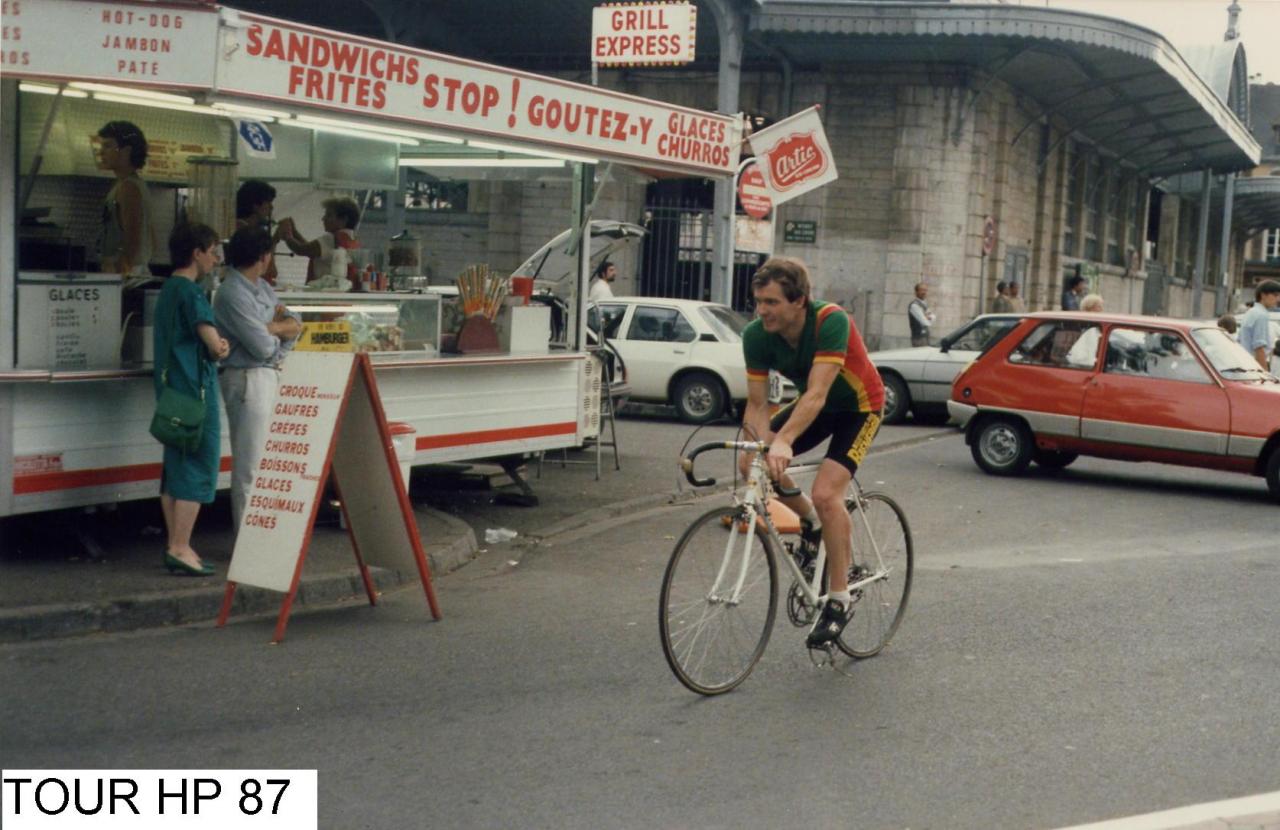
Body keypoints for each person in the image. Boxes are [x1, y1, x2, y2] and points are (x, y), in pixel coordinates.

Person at [740, 257, 885, 648]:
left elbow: (818, 392)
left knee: (826, 493)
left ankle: (839, 599)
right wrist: (757, 443)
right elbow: (756, 405)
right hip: (814, 407)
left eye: (772, 302)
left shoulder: (829, 321)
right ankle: (812, 523)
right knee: (752, 462)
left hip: (859, 407)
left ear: (799, 301)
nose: (763, 310)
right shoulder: (756, 335)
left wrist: (784, 440)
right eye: (759, 301)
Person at [213, 226, 303, 529]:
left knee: (263, 460)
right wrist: (278, 330)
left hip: (264, 375)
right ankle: (246, 540)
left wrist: (274, 329)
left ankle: (258, 534)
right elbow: (262, 346)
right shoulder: (231, 293)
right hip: (246, 378)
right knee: (250, 463)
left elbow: (295, 324)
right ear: (263, 257)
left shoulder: (261, 288)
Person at [154, 223, 230, 576]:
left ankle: (175, 545)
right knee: (198, 467)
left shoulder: (168, 289)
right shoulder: (193, 293)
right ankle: (182, 547)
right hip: (196, 395)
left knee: (175, 469)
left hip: (171, 395)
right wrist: (221, 347)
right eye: (213, 250)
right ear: (196, 252)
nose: (216, 257)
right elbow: (213, 344)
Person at [96, 120, 154, 281]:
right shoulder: (127, 185)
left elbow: (132, 237)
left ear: (126, 151)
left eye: (108, 146)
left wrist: (120, 272)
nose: (101, 152)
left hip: (127, 275)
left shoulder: (129, 188)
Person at [278, 197, 361, 285]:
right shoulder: (353, 241)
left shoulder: (332, 239)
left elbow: (301, 249)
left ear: (343, 219)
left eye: (329, 215)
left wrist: (286, 234)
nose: (323, 219)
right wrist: (294, 232)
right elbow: (310, 250)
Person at [235, 180, 283, 285]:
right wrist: (273, 241)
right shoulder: (245, 233)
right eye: (268, 202)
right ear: (256, 205)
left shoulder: (250, 230)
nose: (271, 207)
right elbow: (270, 272)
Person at [1238, 280, 1280, 370]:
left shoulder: (1251, 312)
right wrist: (1264, 372)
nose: (1278, 299)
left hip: (1244, 362)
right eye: (1275, 295)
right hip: (1254, 365)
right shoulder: (1261, 315)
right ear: (1263, 295)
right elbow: (1259, 347)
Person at [1066, 294, 1104, 368]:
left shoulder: (1096, 325)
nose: (1102, 309)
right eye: (1099, 306)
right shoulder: (1089, 327)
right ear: (1090, 308)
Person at [907, 282, 935, 346]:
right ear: (916, 292)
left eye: (925, 290)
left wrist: (928, 317)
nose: (924, 292)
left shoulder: (924, 304)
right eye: (922, 290)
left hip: (925, 337)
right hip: (918, 338)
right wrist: (928, 318)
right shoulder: (914, 305)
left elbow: (933, 317)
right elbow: (925, 322)